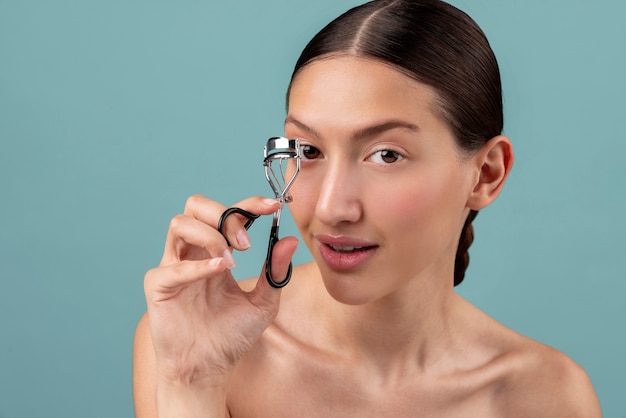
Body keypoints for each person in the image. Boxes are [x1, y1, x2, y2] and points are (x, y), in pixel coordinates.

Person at [133, 0, 602, 416]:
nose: (332, 208)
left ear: (486, 174)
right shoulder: (197, 339)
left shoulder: (546, 397)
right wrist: (191, 384)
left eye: (386, 155)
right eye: (309, 151)